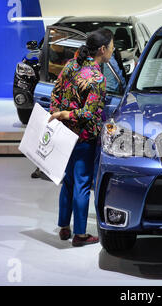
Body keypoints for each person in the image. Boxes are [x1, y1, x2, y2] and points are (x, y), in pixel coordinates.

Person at [48, 28, 114, 247]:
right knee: (83, 184)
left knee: (67, 181)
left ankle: (64, 228)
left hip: (63, 134)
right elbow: (88, 113)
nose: (113, 50)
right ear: (103, 49)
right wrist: (67, 114)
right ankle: (81, 234)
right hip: (84, 138)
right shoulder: (97, 78)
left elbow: (55, 92)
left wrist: (57, 114)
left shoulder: (70, 65)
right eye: (112, 46)